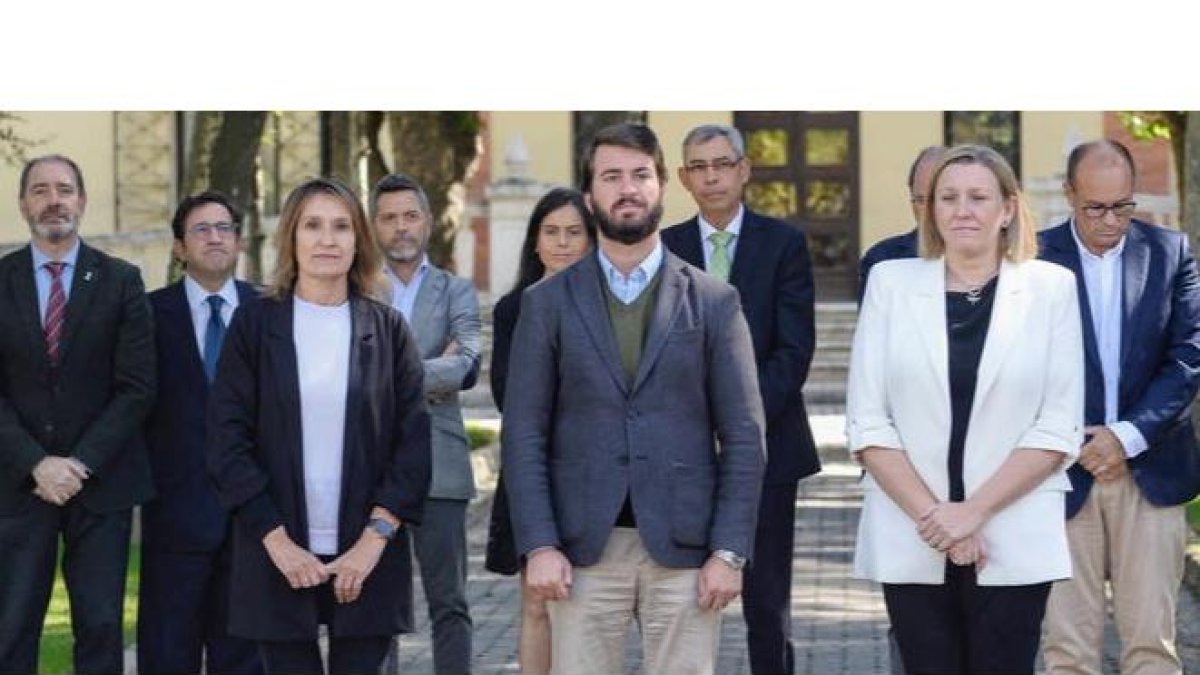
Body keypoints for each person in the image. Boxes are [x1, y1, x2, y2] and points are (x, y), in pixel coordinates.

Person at [502, 122, 766, 675]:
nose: (628, 188)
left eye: (641, 175)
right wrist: (540, 544)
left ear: (663, 185)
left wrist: (729, 551)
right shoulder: (547, 303)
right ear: (590, 192)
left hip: (687, 551)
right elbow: (524, 434)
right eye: (612, 176)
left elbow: (744, 436)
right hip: (582, 550)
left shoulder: (714, 301)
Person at [847, 144, 1084, 675]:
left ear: (1007, 209)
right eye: (947, 198)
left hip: (1014, 526)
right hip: (911, 528)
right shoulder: (890, 282)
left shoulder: (1052, 289)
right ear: (930, 210)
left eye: (979, 197)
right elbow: (867, 420)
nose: (962, 209)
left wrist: (973, 513)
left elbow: (1058, 425)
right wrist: (941, 521)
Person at [206, 177, 431, 675]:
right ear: (291, 237)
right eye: (313, 225)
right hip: (277, 552)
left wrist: (371, 545)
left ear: (358, 240)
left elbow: (412, 448)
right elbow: (227, 442)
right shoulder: (254, 326)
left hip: (367, 555)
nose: (327, 239)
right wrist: (279, 544)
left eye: (341, 226)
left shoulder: (389, 329)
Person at [660, 123, 817, 675]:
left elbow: (794, 352)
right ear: (683, 178)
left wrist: (738, 423)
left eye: (722, 164)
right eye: (699, 167)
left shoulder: (785, 244)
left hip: (770, 449)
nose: (712, 176)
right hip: (682, 455)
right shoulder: (664, 249)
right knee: (681, 601)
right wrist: (697, 424)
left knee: (768, 605)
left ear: (744, 169)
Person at [1040, 140, 1200, 675]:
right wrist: (1074, 441)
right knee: (1067, 654)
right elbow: (1015, 369)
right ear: (1069, 195)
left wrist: (1125, 436)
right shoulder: (1032, 259)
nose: (1112, 220)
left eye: (1124, 206)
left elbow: (1188, 357)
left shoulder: (1169, 251)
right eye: (1096, 208)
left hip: (1150, 472)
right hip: (1060, 475)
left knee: (1152, 650)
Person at [0, 154, 156, 674]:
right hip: (17, 485)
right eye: (40, 190)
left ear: (82, 201)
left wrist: (79, 463)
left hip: (102, 484)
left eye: (64, 189)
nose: (54, 200)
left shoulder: (120, 281)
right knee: (11, 627)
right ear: (24, 204)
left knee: (100, 626)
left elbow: (137, 388)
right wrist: (36, 463)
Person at [138, 192, 262, 674]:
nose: (215, 237)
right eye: (201, 229)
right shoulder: (147, 314)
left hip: (254, 520)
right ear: (179, 248)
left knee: (247, 659)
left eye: (224, 227)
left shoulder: (269, 309)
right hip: (174, 517)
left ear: (239, 241)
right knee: (168, 655)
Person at [369, 172, 481, 675]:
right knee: (378, 607)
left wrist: (387, 374)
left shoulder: (457, 290)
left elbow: (468, 365)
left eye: (410, 216)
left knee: (449, 601)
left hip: (441, 462)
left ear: (428, 222)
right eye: (389, 218)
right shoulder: (359, 288)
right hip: (372, 465)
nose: (401, 228)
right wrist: (428, 369)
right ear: (374, 226)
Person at [484, 186, 597, 675]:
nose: (563, 243)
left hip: (596, 472)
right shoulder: (514, 309)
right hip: (534, 471)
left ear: (592, 241)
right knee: (536, 602)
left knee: (592, 608)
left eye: (574, 232)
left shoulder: (609, 305)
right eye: (551, 232)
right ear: (534, 241)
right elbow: (507, 393)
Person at [854, 144, 947, 675]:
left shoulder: (1018, 271)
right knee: (913, 629)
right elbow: (875, 378)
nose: (940, 211)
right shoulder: (885, 265)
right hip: (905, 473)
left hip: (992, 486)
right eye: (926, 198)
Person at [857, 145, 947, 300]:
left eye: (944, 198)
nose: (930, 211)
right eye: (920, 200)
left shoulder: (997, 261)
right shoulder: (883, 260)